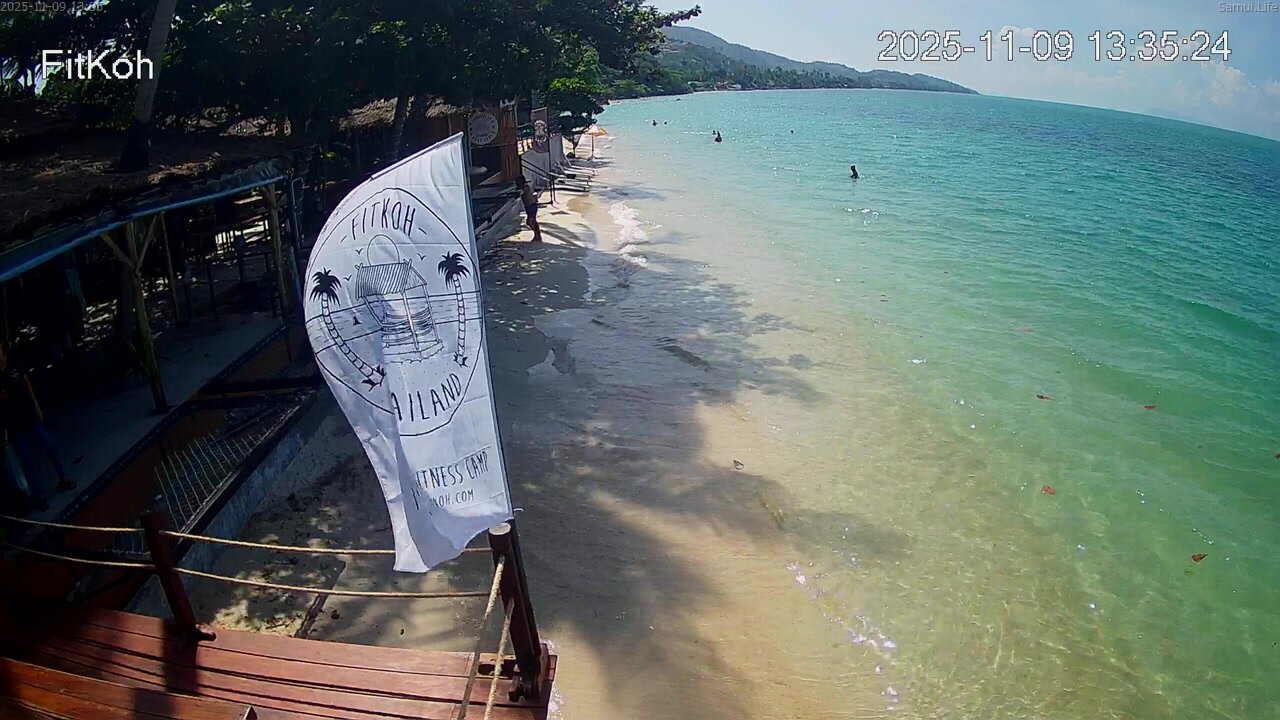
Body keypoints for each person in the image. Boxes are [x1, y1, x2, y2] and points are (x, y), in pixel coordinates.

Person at [0, 344, 72, 513]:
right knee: (26, 461)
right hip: (14, 425)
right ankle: (39, 496)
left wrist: (36, 405)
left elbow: (27, 382)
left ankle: (63, 477)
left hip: (30, 417)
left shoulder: (14, 365)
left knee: (49, 446)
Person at [516, 177, 543, 243]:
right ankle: (537, 235)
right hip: (529, 206)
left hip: (531, 206)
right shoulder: (524, 187)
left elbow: (520, 192)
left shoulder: (526, 187)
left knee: (532, 221)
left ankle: (537, 236)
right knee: (529, 221)